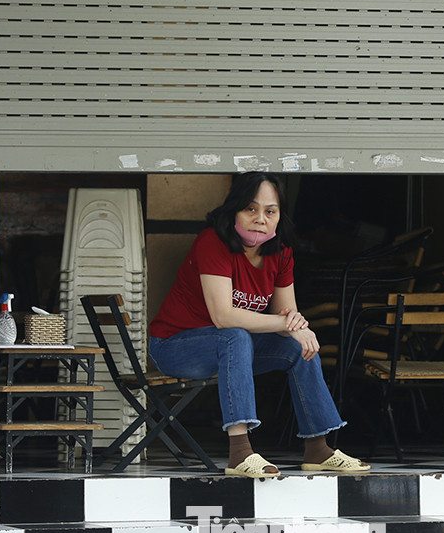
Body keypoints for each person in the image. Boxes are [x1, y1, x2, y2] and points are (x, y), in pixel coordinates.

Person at [149, 172, 370, 478]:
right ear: (234, 209)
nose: (260, 219)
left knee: (297, 346)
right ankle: (240, 452)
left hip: (231, 348)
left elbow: (285, 314)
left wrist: (297, 327)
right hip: (175, 346)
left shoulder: (281, 251)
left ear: (280, 216)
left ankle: (318, 448)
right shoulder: (213, 242)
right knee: (235, 335)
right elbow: (223, 317)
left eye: (270, 211)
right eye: (250, 209)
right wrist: (287, 322)